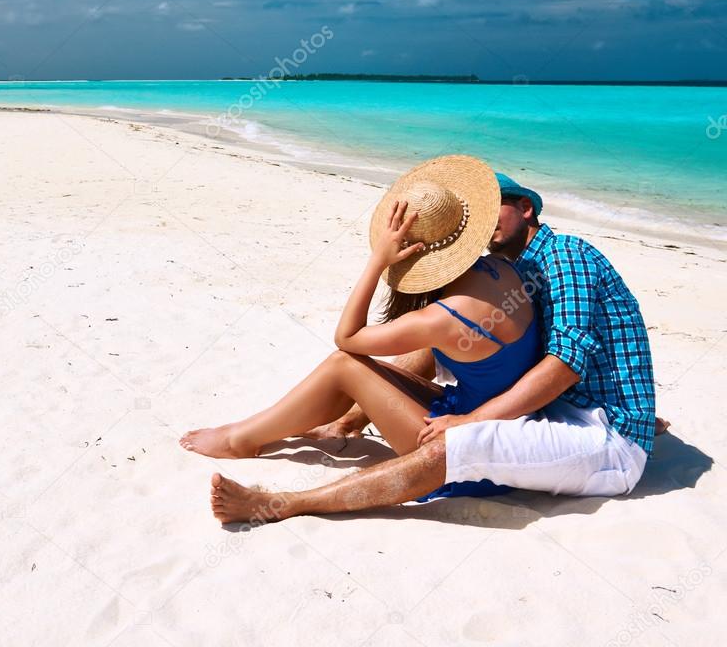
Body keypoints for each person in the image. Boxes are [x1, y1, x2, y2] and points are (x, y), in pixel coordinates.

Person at [203, 171, 660, 524]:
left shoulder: (565, 256)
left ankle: (283, 504)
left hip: (609, 440)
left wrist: (469, 421)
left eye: (495, 211)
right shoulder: (513, 266)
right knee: (422, 356)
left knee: (453, 444)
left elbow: (564, 366)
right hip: (570, 409)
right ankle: (344, 422)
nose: (487, 229)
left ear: (525, 209)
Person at [181, 156, 542, 499]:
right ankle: (307, 427)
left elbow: (348, 338)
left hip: (460, 455)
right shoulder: (503, 271)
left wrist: (377, 262)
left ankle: (241, 439)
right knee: (367, 369)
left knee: (345, 363)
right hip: (492, 423)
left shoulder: (444, 317)